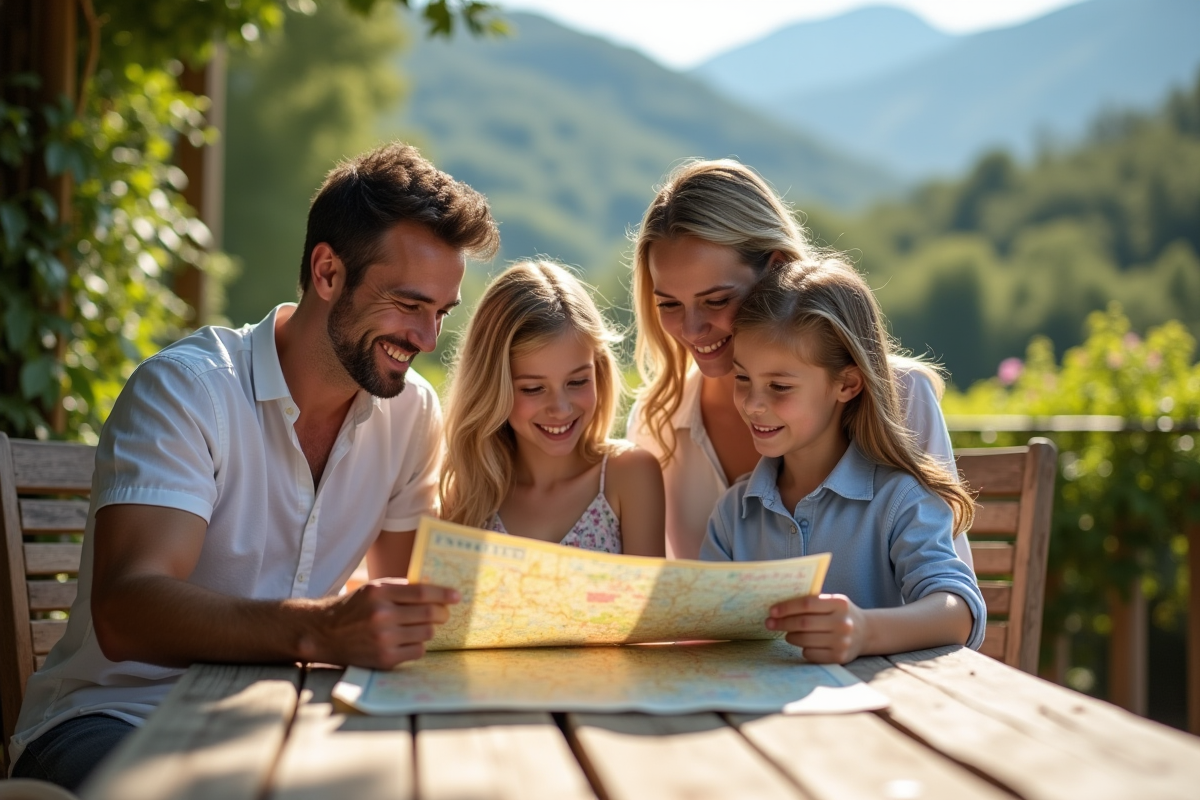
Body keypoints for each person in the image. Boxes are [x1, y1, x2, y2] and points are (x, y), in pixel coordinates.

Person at [9, 143, 499, 789]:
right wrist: (322, 630)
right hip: (116, 720)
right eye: (410, 306)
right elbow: (128, 611)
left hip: (283, 723)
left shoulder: (411, 414)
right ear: (328, 273)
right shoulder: (187, 392)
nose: (428, 339)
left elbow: (412, 608)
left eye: (441, 313)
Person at [627, 159, 974, 566]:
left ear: (775, 268)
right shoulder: (658, 422)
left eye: (716, 300)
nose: (692, 329)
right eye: (669, 304)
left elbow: (950, 596)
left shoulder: (901, 397)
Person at [700, 259, 986, 663]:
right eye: (742, 378)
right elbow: (705, 629)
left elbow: (960, 612)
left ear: (847, 384)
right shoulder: (733, 513)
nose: (752, 403)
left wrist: (865, 632)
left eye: (779, 386)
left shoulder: (900, 499)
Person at [440, 261, 665, 556]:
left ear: (599, 371)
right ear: (492, 388)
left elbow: (652, 602)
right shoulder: (468, 495)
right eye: (533, 388)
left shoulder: (630, 475)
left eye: (577, 381)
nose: (559, 408)